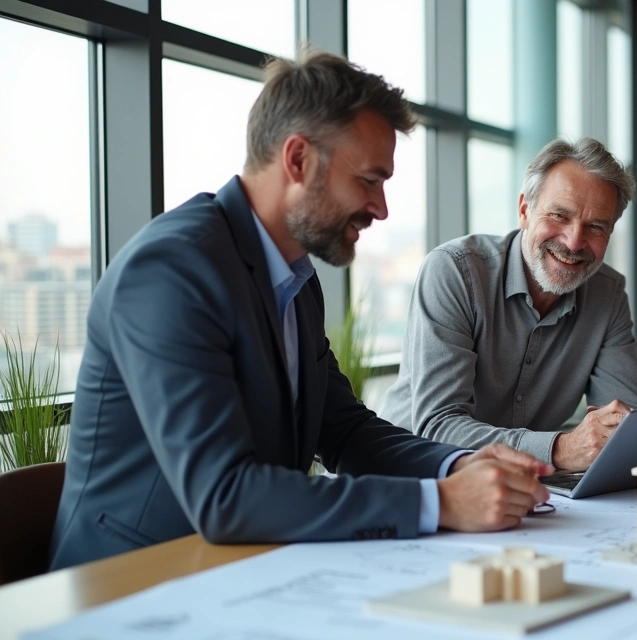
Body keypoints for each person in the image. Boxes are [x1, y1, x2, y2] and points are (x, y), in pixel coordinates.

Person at [50, 50, 552, 570]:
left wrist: (457, 464)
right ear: (297, 160)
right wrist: (443, 503)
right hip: (131, 584)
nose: (381, 208)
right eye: (368, 180)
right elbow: (225, 496)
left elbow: (343, 429)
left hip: (242, 568)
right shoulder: (173, 270)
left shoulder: (292, 277)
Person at [378, 138, 637, 472]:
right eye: (559, 215)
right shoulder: (455, 272)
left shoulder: (607, 294)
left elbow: (627, 423)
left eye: (595, 226)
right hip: (413, 476)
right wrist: (560, 449)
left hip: (520, 489)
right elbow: (439, 426)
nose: (574, 240)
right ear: (524, 210)